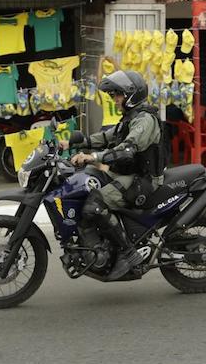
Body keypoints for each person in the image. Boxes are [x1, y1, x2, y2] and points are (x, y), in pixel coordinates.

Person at [64, 70, 165, 280]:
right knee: (85, 182)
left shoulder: (145, 120)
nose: (114, 99)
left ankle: (128, 254)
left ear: (131, 95)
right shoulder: (129, 119)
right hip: (124, 174)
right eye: (113, 95)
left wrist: (92, 157)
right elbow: (104, 137)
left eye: (117, 94)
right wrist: (71, 143)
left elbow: (126, 150)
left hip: (142, 179)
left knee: (95, 204)